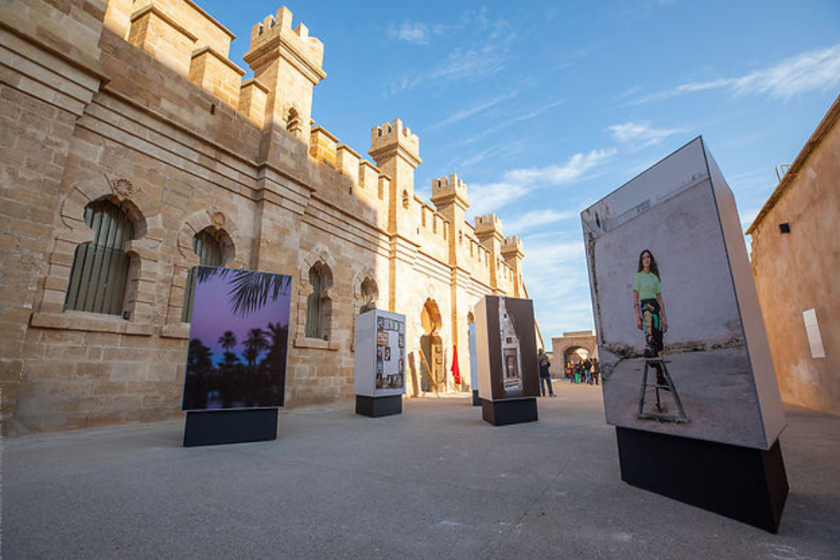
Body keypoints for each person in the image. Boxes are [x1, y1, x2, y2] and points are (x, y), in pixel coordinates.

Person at [633, 249, 668, 385]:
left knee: (660, 343)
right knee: (650, 339)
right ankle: (651, 359)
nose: (646, 260)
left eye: (648, 257)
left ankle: (660, 376)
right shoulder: (638, 277)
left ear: (651, 260)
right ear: (641, 262)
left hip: (656, 309)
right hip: (645, 308)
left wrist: (664, 319)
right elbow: (635, 299)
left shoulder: (655, 278)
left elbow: (660, 299)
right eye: (643, 258)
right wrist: (637, 317)